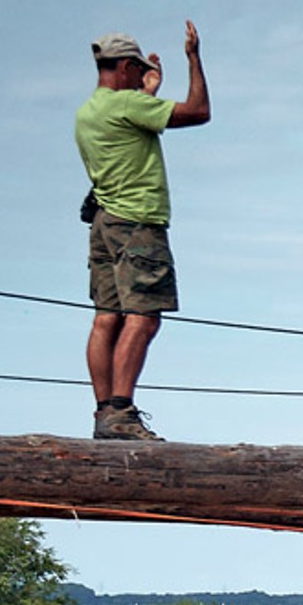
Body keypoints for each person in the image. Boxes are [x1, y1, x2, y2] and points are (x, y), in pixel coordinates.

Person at [75, 23, 210, 441]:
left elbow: (133, 123)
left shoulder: (90, 112)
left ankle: (104, 414)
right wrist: (193, 58)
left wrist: (147, 93)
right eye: (137, 69)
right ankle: (122, 411)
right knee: (144, 316)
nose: (140, 75)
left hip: (105, 224)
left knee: (107, 318)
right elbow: (198, 111)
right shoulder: (128, 104)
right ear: (126, 68)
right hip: (138, 222)